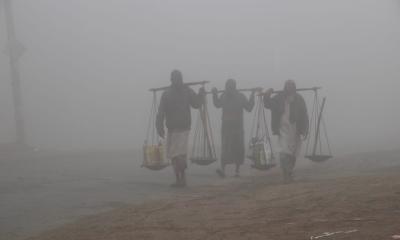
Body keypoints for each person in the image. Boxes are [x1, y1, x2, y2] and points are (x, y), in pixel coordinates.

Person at [156, 70, 205, 187]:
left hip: (183, 128)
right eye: (175, 79)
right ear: (172, 80)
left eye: (179, 78)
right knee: (173, 154)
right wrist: (159, 125)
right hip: (172, 128)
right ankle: (178, 179)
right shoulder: (167, 93)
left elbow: (196, 104)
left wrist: (200, 94)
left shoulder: (187, 91)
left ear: (181, 79)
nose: (178, 81)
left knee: (180, 154)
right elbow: (161, 111)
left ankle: (182, 178)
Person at [263, 80, 309, 183]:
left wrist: (305, 128)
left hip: (295, 129)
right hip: (282, 128)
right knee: (284, 152)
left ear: (294, 88)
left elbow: (304, 114)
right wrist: (267, 95)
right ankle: (286, 173)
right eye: (288, 86)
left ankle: (289, 172)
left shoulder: (299, 99)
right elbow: (268, 104)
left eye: (292, 86)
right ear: (285, 88)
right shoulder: (279, 97)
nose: (290, 88)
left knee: (293, 153)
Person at [212, 79, 256, 178]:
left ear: (234, 87)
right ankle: (223, 169)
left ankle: (237, 170)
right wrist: (214, 94)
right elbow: (217, 104)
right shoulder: (224, 96)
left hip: (237, 127)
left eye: (230, 86)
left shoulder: (240, 97)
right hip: (226, 127)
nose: (228, 88)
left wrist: (252, 95)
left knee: (238, 148)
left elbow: (249, 108)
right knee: (225, 148)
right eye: (227, 86)